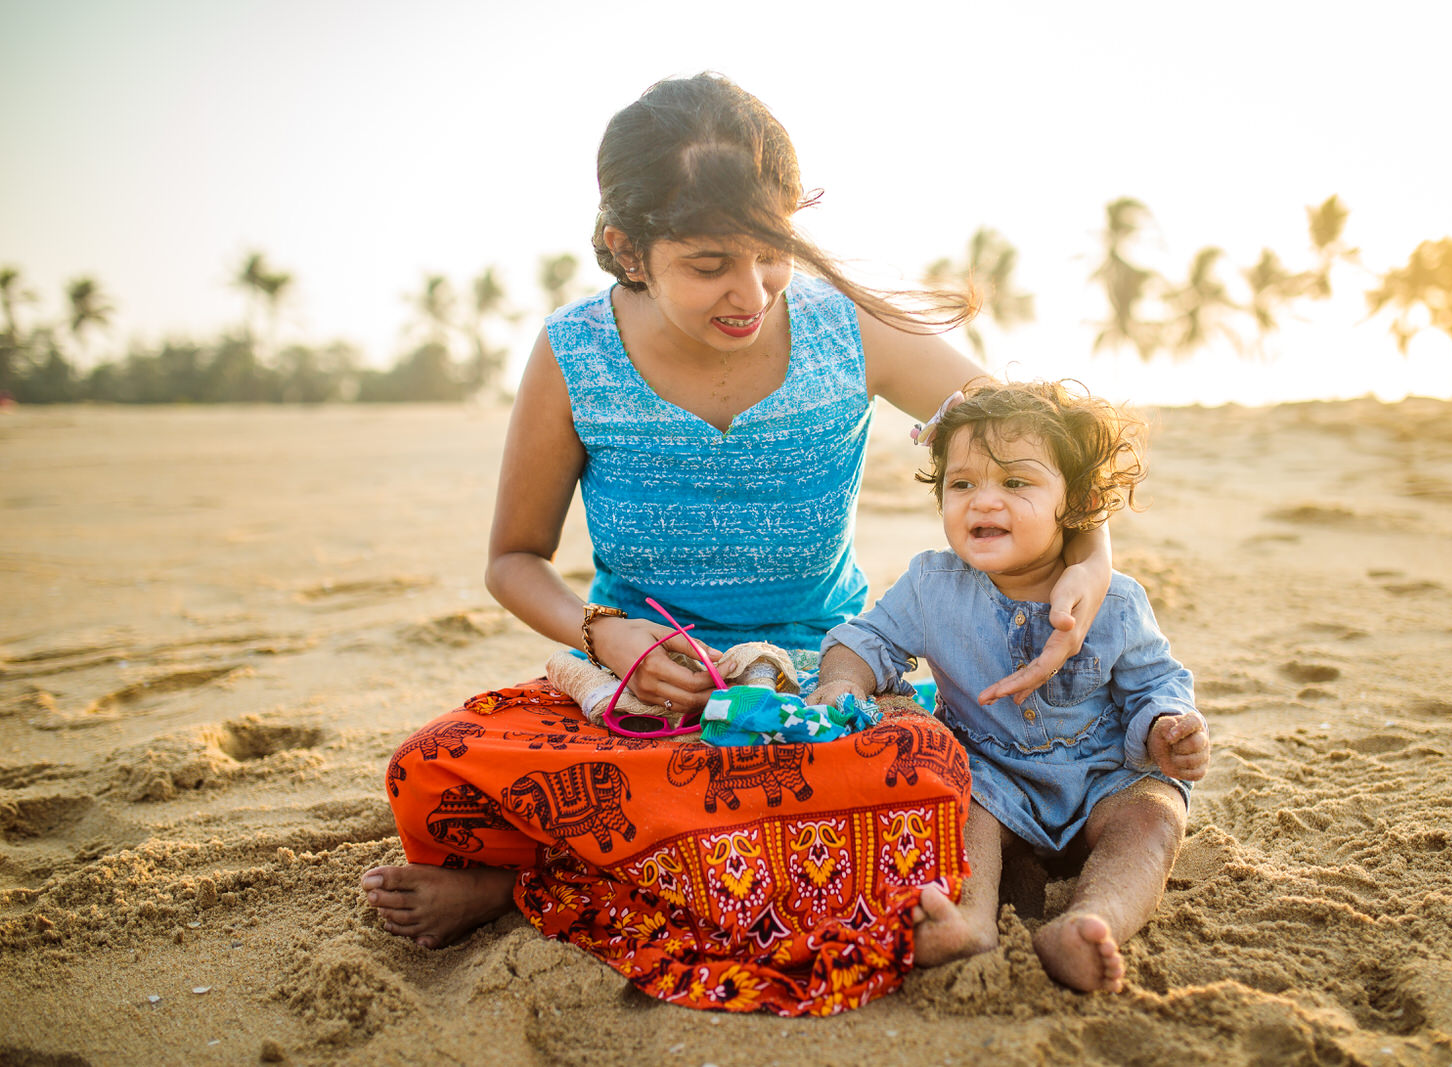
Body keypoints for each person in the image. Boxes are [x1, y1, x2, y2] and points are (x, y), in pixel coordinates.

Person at [361, 73, 1115, 1015]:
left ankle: (528, 885)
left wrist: (1090, 557)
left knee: (923, 769)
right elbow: (513, 558)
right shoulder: (575, 354)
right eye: (710, 262)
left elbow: (1038, 440)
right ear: (624, 248)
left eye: (770, 254)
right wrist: (605, 633)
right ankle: (587, 875)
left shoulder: (851, 329)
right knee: (434, 766)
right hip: (642, 693)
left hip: (822, 685)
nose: (749, 292)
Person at [810, 380, 1209, 993]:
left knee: (1155, 817)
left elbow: (1155, 683)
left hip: (1104, 781)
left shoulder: (1118, 600)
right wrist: (840, 684)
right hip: (993, 782)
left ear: (1073, 505)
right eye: (962, 484)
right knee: (959, 806)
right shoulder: (931, 585)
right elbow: (864, 639)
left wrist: (1167, 729)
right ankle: (970, 918)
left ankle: (1089, 921)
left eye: (1016, 484)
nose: (983, 502)